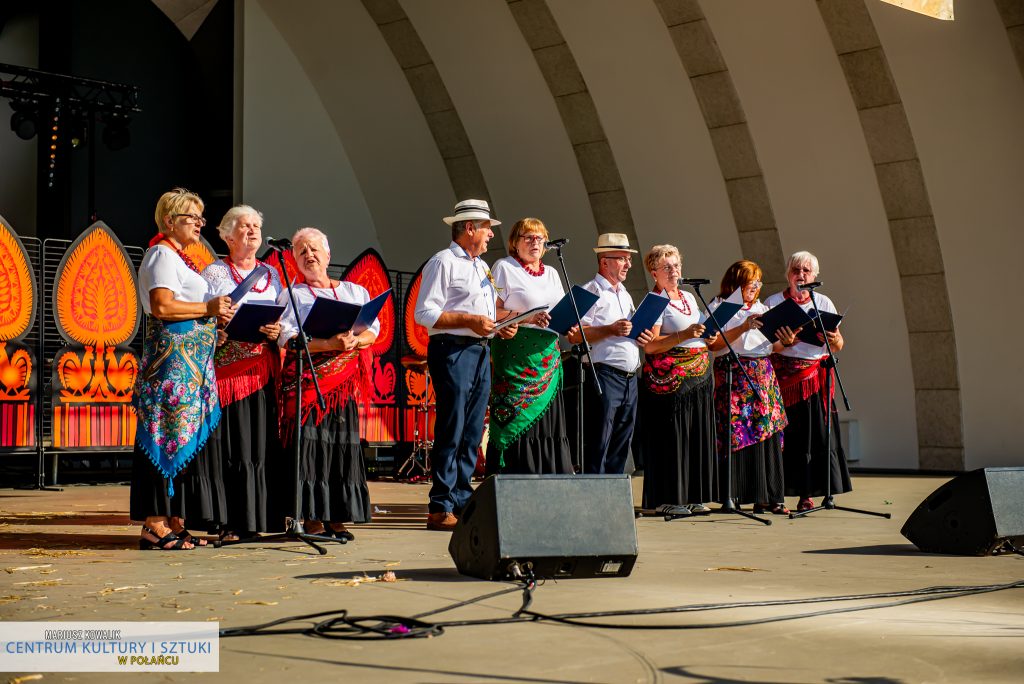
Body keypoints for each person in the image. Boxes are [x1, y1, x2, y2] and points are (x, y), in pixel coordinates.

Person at [131, 188, 235, 550]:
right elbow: (162, 307)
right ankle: (153, 523)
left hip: (190, 368)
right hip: (170, 371)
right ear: (169, 220)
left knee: (182, 438)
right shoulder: (161, 254)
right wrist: (208, 310)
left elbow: (186, 308)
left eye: (201, 218)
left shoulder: (180, 258)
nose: (199, 224)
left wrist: (210, 330)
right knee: (163, 435)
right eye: (192, 217)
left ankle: (175, 521)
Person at [414, 199, 518, 531]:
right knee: (452, 425)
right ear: (470, 228)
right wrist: (470, 320)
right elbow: (425, 314)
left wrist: (505, 323)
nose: (490, 235)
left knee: (473, 429)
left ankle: (460, 498)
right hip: (452, 350)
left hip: (478, 349)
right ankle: (440, 504)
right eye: (487, 227)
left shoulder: (482, 267)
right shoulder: (442, 263)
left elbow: (489, 311)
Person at [276, 227, 376, 540]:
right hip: (309, 383)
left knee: (340, 448)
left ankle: (337, 518)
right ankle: (313, 519)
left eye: (314, 249)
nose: (309, 255)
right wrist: (329, 343)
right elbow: (287, 337)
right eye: (301, 251)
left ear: (328, 254)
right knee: (312, 448)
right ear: (294, 261)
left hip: (343, 385)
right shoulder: (293, 294)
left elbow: (373, 329)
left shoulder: (354, 292)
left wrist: (354, 342)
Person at [200, 205, 283, 541]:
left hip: (261, 368)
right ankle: (229, 521)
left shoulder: (273, 274)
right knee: (232, 444)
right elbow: (205, 316)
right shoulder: (215, 273)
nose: (252, 231)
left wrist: (277, 330)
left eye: (256, 226)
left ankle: (259, 517)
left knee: (260, 445)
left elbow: (285, 316)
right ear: (227, 235)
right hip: (228, 371)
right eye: (244, 226)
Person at [764, 251, 851, 512]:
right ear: (788, 274)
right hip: (784, 379)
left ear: (814, 276)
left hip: (816, 376)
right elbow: (764, 346)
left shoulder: (823, 301)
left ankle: (810, 493)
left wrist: (833, 340)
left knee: (817, 438)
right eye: (796, 270)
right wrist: (784, 342)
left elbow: (839, 344)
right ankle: (778, 493)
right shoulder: (773, 302)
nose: (800, 275)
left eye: (806, 271)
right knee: (788, 438)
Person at [487, 218, 574, 475]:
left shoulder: (553, 273)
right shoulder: (503, 266)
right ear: (515, 242)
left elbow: (558, 310)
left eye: (539, 238)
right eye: (528, 237)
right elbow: (490, 308)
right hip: (516, 351)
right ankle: (514, 474)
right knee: (515, 413)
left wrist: (567, 322)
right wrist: (527, 317)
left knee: (548, 417)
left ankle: (548, 475)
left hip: (547, 353)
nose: (535, 242)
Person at [638, 245, 718, 514]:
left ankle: (694, 494)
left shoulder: (687, 297)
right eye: (667, 267)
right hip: (671, 380)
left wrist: (706, 336)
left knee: (696, 435)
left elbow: (696, 330)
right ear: (654, 272)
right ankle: (669, 498)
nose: (674, 271)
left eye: (676, 266)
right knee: (675, 438)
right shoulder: (655, 301)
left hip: (698, 374)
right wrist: (684, 335)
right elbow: (651, 345)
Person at [568, 233, 655, 474]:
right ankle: (594, 497)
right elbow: (575, 335)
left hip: (630, 378)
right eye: (623, 259)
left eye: (629, 259)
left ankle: (613, 497)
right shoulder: (589, 291)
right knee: (599, 441)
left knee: (621, 442)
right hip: (603, 375)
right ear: (604, 261)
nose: (628, 264)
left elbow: (627, 332)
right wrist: (610, 329)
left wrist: (641, 336)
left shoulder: (625, 294)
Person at [708, 260, 789, 514]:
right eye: (750, 282)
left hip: (763, 374)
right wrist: (744, 326)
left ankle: (769, 496)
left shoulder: (764, 308)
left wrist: (785, 341)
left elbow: (772, 347)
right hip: (735, 373)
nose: (755, 287)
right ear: (736, 282)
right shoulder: (720, 306)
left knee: (767, 434)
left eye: (758, 282)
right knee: (740, 433)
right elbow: (713, 344)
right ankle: (738, 494)